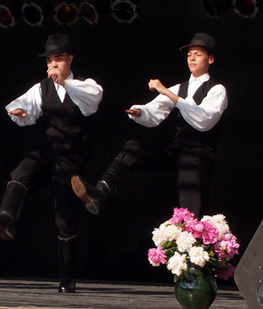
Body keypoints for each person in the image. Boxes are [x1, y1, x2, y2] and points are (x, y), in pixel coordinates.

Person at [0, 34, 103, 293]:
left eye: (58, 59)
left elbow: (92, 102)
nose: (53, 65)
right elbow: (23, 106)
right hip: (49, 152)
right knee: (23, 170)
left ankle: (67, 278)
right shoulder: (42, 88)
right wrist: (20, 113)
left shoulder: (85, 84)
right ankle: (6, 219)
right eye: (49, 61)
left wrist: (65, 83)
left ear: (70, 59)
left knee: (64, 216)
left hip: (72, 159)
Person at [71, 33, 227, 219]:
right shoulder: (179, 88)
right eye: (189, 54)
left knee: (190, 214)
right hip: (177, 149)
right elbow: (156, 109)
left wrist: (167, 92)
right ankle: (101, 191)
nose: (192, 58)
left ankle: (195, 234)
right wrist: (141, 112)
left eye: (198, 54)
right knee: (133, 147)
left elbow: (204, 119)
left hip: (197, 156)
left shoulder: (217, 90)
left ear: (210, 59)